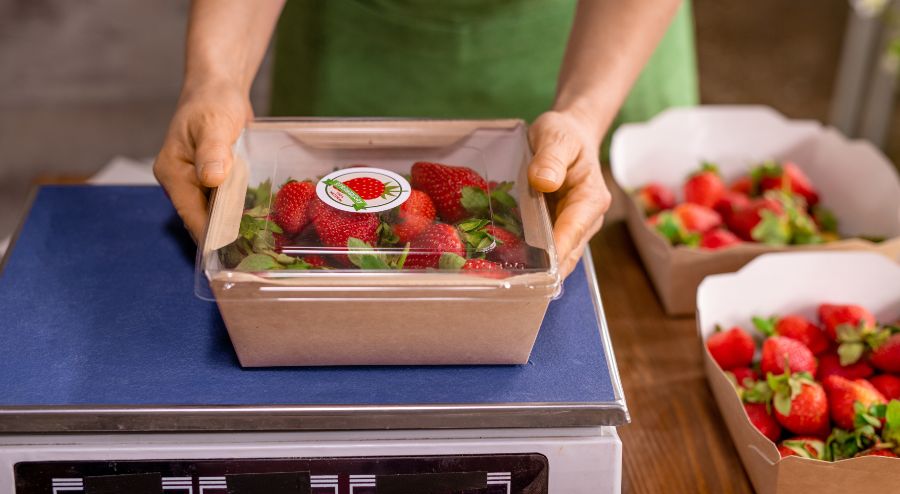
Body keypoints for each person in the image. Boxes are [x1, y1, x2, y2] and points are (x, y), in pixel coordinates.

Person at [155, 0, 697, 277]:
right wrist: (215, 80)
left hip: (593, 39)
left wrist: (585, 113)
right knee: (313, 225)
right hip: (357, 38)